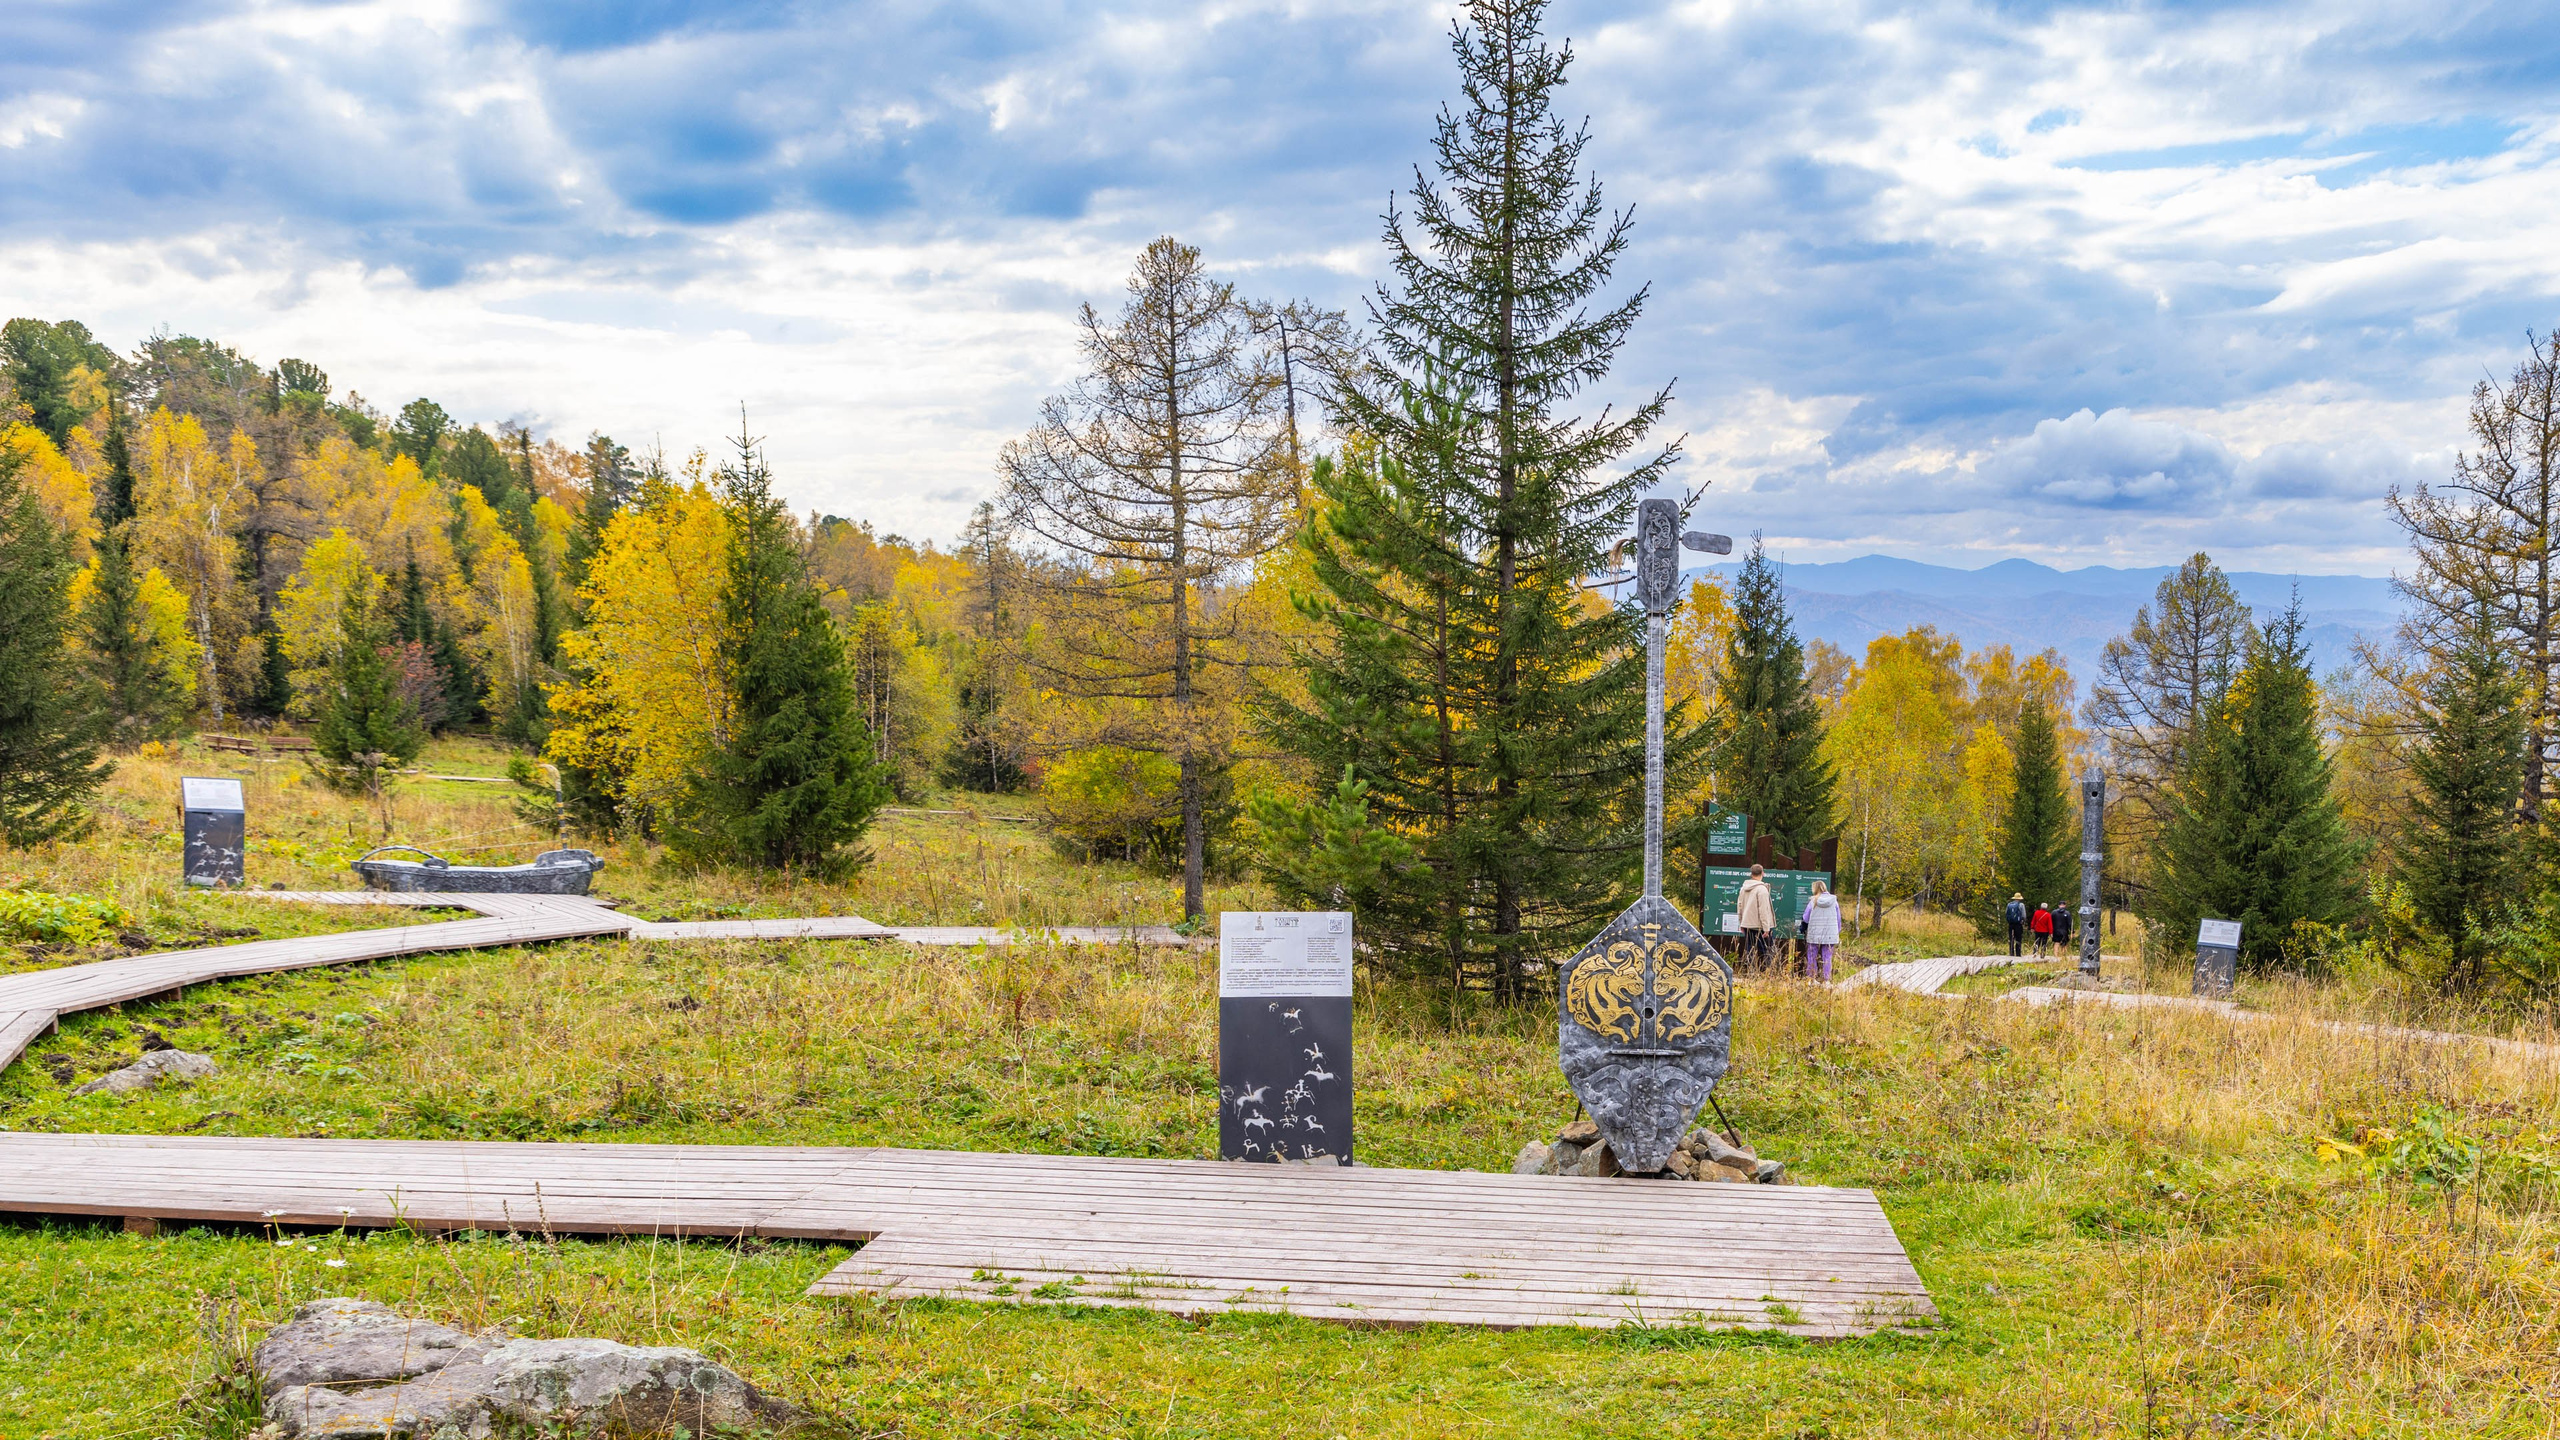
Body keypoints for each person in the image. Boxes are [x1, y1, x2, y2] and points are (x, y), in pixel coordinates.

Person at [1800, 880, 1842, 982]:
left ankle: (1811, 978)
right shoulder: (1834, 901)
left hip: (1814, 933)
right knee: (1827, 957)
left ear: (1815, 889)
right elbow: (1838, 919)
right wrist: (1837, 931)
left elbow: (1806, 918)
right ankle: (1826, 980)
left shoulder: (1813, 901)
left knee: (1811, 955)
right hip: (1830, 933)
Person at [1736, 864, 1775, 971]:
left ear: (1751, 873)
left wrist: (1741, 922)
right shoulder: (1762, 890)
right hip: (1760, 927)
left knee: (1750, 951)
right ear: (1762, 873)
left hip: (1748, 925)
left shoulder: (1744, 889)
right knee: (1766, 952)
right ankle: (1765, 974)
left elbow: (1739, 906)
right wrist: (1766, 928)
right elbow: (1764, 910)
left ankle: (1751, 972)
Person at [2004, 893, 2027, 957]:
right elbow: (2024, 915)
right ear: (2019, 898)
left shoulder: (2009, 904)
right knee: (2018, 938)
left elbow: (2006, 913)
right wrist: (2023, 921)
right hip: (2018, 924)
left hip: (2011, 924)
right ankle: (2018, 953)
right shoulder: (2021, 905)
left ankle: (2011, 952)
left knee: (2011, 938)